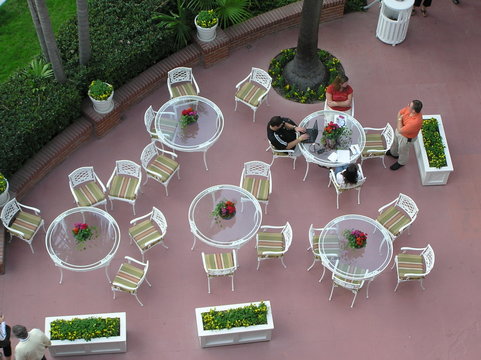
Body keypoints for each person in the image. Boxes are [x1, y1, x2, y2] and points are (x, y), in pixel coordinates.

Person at [386, 100, 423, 171]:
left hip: (406, 138)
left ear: (414, 111)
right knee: (395, 143)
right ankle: (393, 153)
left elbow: (400, 129)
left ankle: (401, 162)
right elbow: (399, 113)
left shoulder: (415, 122)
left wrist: (400, 120)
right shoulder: (408, 109)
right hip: (400, 131)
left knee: (403, 150)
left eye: (409, 105)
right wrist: (400, 122)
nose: (407, 105)